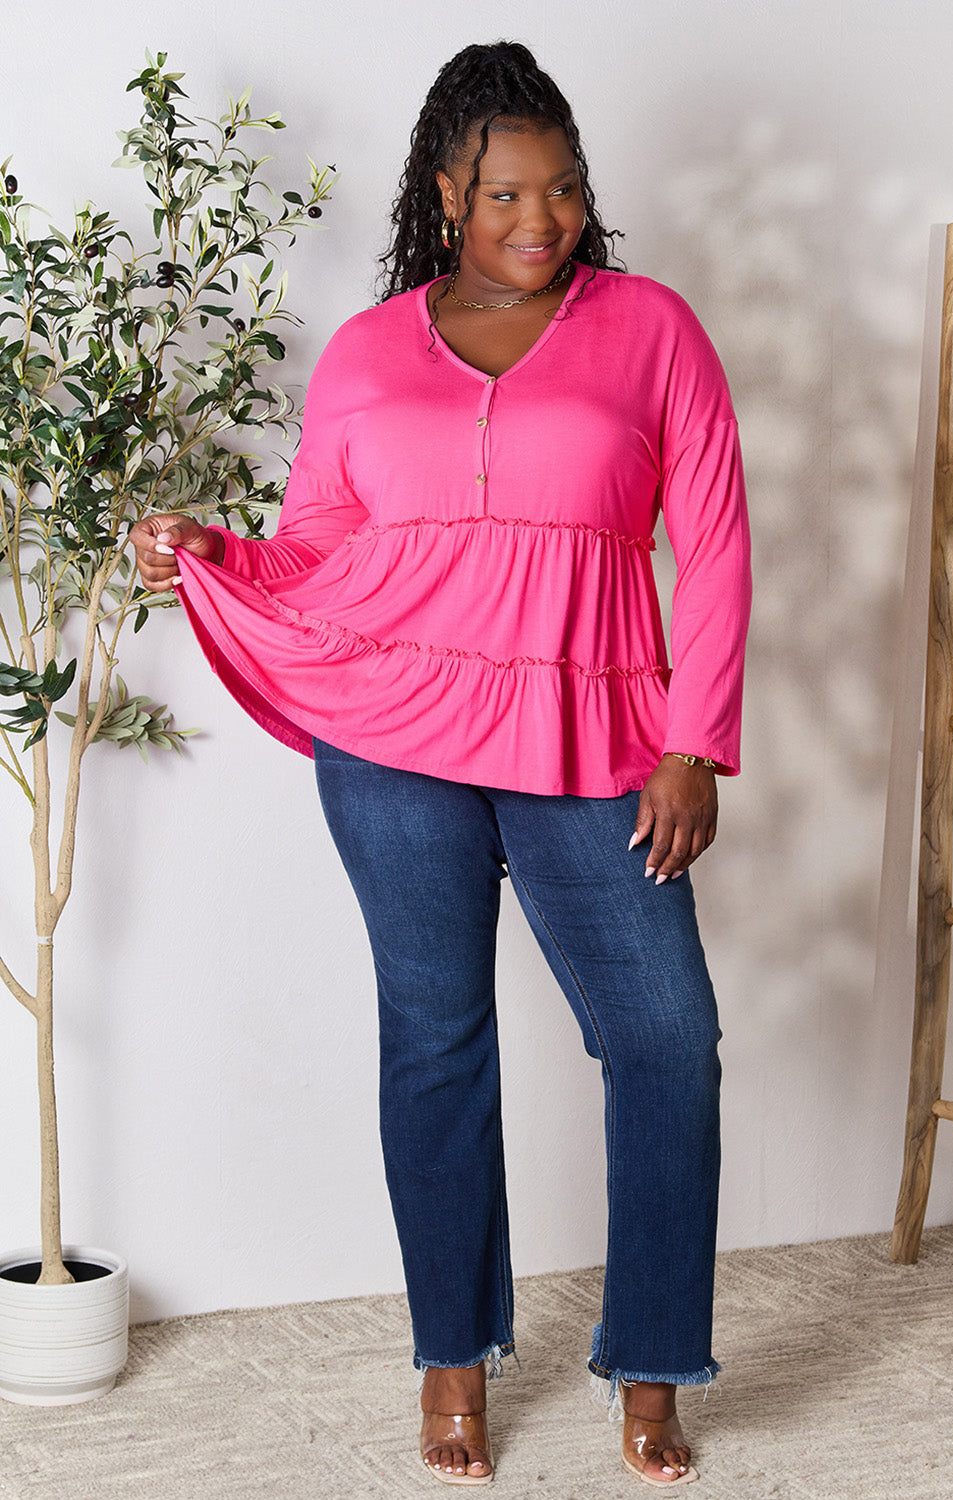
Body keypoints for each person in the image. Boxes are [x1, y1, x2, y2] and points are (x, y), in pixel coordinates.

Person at [129, 40, 751, 1489]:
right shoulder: (364, 354)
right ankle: (452, 1366)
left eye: (565, 190)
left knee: (665, 1040)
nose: (541, 220)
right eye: (505, 193)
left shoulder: (653, 328)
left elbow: (711, 544)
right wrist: (221, 557)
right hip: (392, 743)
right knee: (436, 1042)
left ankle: (654, 1367)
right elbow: (324, 552)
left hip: (593, 739)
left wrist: (692, 739)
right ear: (444, 193)